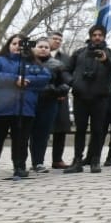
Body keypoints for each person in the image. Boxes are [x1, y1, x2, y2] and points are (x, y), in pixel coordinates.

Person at [0, 35, 53, 180]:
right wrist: (14, 80)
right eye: (14, 43)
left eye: (21, 44)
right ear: (8, 45)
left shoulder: (32, 63)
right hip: (1, 108)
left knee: (21, 140)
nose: (17, 46)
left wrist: (27, 80)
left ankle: (19, 167)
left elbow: (45, 77)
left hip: (24, 108)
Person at [64, 24, 111, 173]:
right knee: (80, 130)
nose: (97, 37)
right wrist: (73, 82)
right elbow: (65, 71)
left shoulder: (110, 53)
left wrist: (106, 60)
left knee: (97, 130)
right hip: (80, 97)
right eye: (94, 35)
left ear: (104, 37)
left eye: (100, 35)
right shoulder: (79, 53)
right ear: (90, 36)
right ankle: (77, 161)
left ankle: (95, 160)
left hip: (100, 98)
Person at [27, 38, 69, 173]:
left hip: (49, 103)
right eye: (40, 46)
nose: (43, 49)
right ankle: (20, 162)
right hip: (29, 102)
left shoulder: (57, 65)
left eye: (46, 47)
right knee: (25, 134)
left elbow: (66, 83)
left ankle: (38, 162)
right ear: (34, 48)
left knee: (42, 134)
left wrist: (56, 91)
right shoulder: (26, 63)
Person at [45, 32, 72, 168]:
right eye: (54, 39)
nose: (57, 41)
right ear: (48, 40)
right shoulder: (40, 54)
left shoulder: (66, 58)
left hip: (61, 97)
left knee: (61, 129)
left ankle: (57, 159)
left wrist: (64, 90)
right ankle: (37, 161)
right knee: (41, 130)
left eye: (60, 40)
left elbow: (69, 77)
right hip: (44, 97)